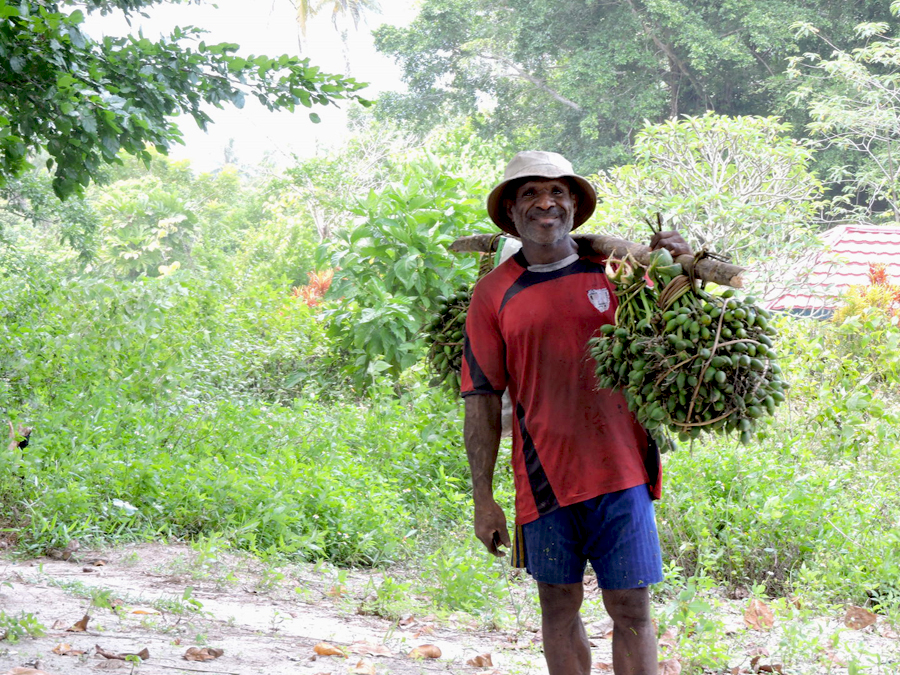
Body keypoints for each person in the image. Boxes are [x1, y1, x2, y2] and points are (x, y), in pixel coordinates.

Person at [460, 151, 690, 675]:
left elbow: (677, 329)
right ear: (512, 215)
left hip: (623, 471)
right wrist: (483, 499)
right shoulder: (493, 294)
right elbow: (480, 399)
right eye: (530, 194)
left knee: (632, 608)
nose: (546, 203)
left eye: (557, 192)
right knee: (559, 607)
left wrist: (678, 265)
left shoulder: (619, 273)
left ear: (573, 206)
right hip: (544, 478)